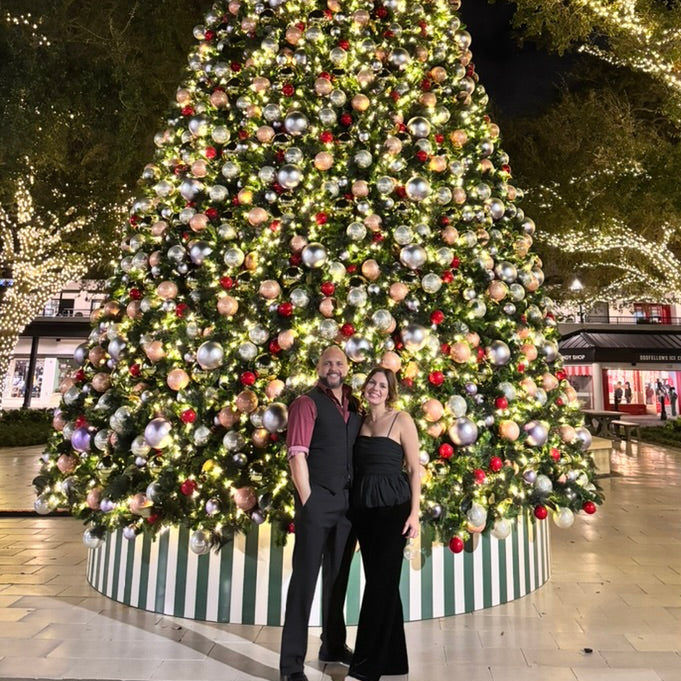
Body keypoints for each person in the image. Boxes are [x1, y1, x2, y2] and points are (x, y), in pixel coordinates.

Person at [279, 345, 362, 681]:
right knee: (304, 582)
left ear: (346, 368)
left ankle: (332, 645)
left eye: (339, 362)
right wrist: (309, 501)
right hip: (318, 503)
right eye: (327, 362)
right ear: (318, 367)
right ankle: (291, 666)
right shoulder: (305, 403)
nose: (333, 367)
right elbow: (296, 455)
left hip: (347, 505)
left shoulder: (354, 408)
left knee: (338, 579)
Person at [348, 367, 421, 681]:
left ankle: (365, 667)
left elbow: (415, 469)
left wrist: (415, 512)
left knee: (379, 586)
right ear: (365, 388)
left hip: (394, 508)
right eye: (371, 383)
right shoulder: (359, 422)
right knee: (384, 584)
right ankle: (394, 660)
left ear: (389, 391)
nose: (375, 388)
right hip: (365, 509)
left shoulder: (401, 419)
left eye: (382, 385)